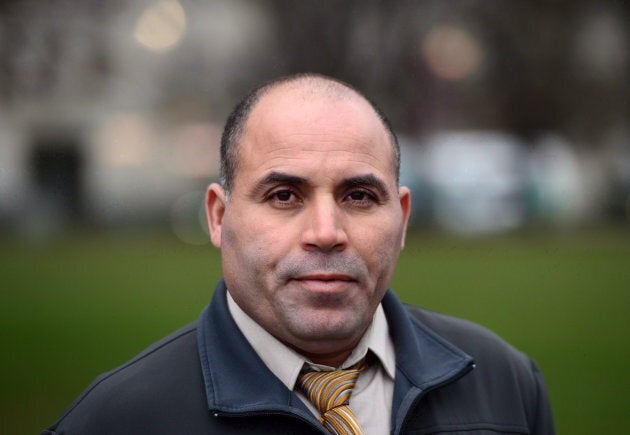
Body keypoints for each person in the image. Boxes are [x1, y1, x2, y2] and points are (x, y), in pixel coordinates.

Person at [43, 73, 554, 434]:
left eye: (359, 196)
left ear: (401, 219)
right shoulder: (117, 419)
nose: (327, 232)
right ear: (219, 217)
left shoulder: (505, 384)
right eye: (284, 196)